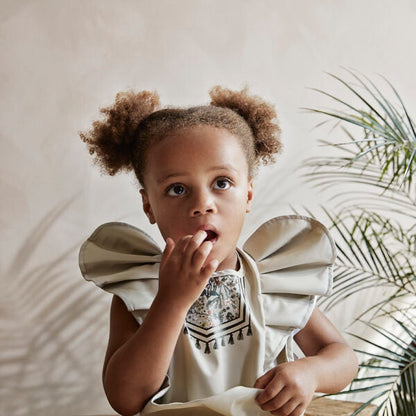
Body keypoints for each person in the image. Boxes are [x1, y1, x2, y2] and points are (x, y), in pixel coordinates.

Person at [78, 86, 358, 416]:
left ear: (249, 195)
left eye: (221, 183)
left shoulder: (273, 277)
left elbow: (342, 357)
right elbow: (125, 400)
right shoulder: (141, 288)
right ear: (148, 205)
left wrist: (310, 373)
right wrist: (172, 300)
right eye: (177, 189)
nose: (202, 205)